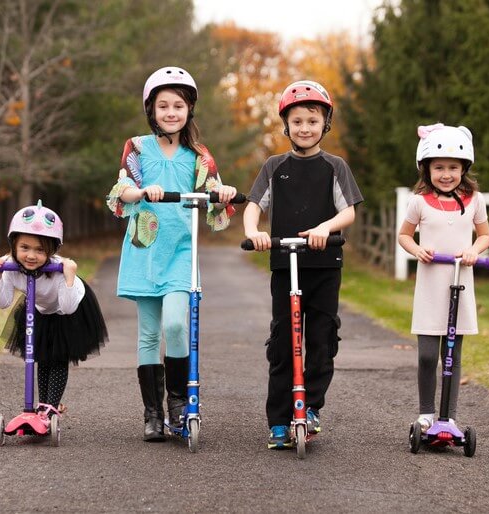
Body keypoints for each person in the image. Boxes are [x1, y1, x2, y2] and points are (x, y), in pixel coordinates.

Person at [106, 66, 238, 442]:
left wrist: (223, 192)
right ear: (151, 110)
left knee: (176, 324)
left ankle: (178, 403)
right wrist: (143, 192)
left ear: (189, 109)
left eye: (177, 105)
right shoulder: (138, 147)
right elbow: (122, 188)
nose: (170, 112)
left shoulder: (198, 155)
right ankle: (152, 413)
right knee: (149, 332)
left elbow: (213, 194)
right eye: (163, 105)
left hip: (182, 250)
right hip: (145, 249)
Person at [243, 80, 363, 449]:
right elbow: (253, 206)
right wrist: (254, 231)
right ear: (286, 126)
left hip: (325, 264)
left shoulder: (334, 166)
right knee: (283, 341)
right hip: (285, 263)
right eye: (297, 121)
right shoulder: (274, 166)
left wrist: (325, 228)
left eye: (312, 120)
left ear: (324, 123)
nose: (305, 128)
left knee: (321, 340)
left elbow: (349, 212)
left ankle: (309, 407)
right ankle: (279, 420)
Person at [397, 123, 489, 432]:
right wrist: (418, 249)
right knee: (427, 355)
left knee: (452, 354)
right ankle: (426, 412)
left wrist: (473, 251)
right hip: (431, 284)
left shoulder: (475, 199)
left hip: (460, 282)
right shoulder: (419, 202)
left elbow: (485, 236)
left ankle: (448, 416)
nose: (447, 174)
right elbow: (404, 236)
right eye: (439, 167)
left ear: (464, 168)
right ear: (427, 169)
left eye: (453, 167)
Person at [0, 201, 108, 416]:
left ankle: (51, 407)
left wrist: (69, 274)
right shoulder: (10, 268)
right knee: (42, 356)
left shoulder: (59, 271)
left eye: (40, 250)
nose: (31, 256)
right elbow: (3, 302)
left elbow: (69, 307)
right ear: (13, 246)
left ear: (52, 250)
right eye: (24, 248)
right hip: (42, 309)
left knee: (58, 357)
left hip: (70, 305)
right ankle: (41, 407)